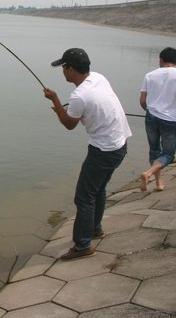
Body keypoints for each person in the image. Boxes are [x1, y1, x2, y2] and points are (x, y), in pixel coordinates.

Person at [43, 48, 131, 260]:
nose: (63, 71)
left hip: (103, 150)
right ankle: (95, 229)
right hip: (120, 144)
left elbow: (69, 124)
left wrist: (55, 100)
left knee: (83, 197)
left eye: (64, 67)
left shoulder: (79, 96)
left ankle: (83, 246)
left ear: (71, 69)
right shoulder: (98, 78)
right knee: (98, 189)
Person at [139, 46, 176, 192]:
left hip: (151, 116)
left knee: (154, 150)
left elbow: (142, 101)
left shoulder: (150, 75)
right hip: (171, 120)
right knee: (168, 154)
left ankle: (158, 182)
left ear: (161, 60)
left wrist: (150, 111)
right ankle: (149, 174)